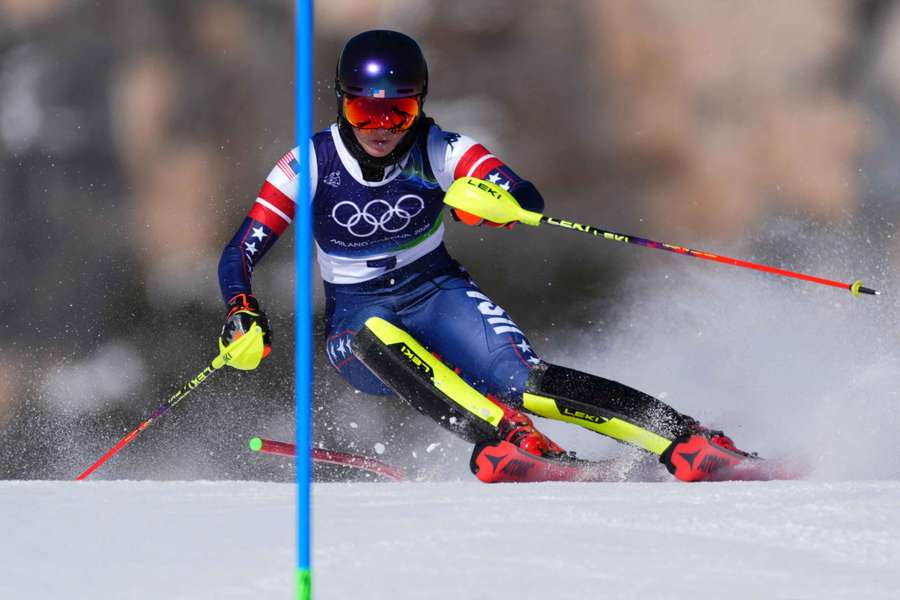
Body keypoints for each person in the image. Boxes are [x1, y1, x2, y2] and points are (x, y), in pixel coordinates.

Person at [217, 29, 753, 482]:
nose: (381, 128)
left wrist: (493, 204)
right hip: (357, 321)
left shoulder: (441, 150)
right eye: (364, 110)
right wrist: (241, 310)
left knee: (527, 383)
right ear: (342, 102)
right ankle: (506, 438)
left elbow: (524, 197)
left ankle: (684, 438)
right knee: (373, 336)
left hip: (438, 293)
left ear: (419, 104)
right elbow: (242, 248)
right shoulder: (308, 163)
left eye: (398, 112)